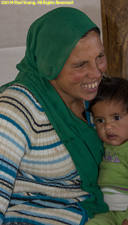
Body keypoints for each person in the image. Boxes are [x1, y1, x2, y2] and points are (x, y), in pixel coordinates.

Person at [0, 7, 110, 225]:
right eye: (80, 65)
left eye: (100, 57)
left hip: (92, 214)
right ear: (50, 64)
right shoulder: (13, 112)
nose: (97, 73)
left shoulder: (100, 96)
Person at [86, 77, 128, 225]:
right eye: (100, 120)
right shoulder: (110, 142)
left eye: (116, 117)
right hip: (109, 213)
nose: (108, 126)